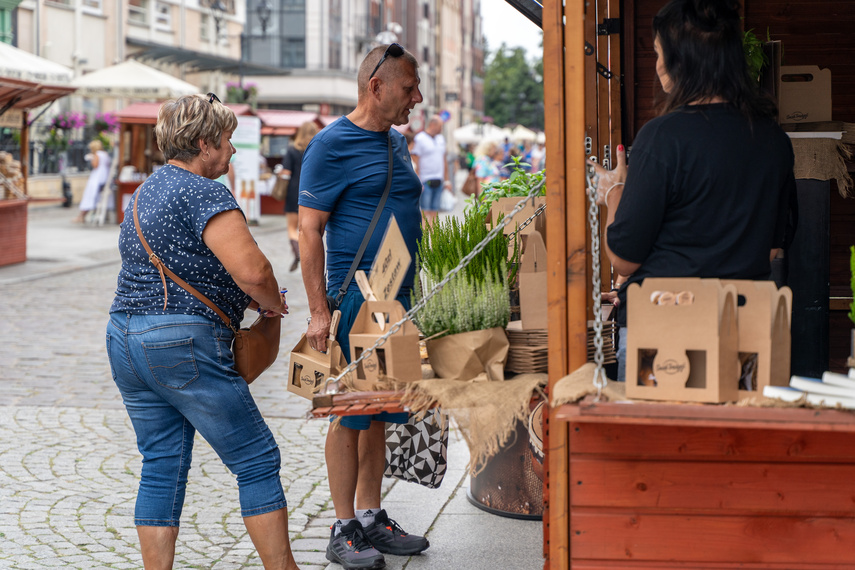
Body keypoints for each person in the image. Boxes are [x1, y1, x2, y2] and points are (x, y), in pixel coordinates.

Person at [105, 93, 299, 570]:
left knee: (161, 465)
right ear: (204, 141)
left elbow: (183, 261)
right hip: (180, 342)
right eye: (228, 140)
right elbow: (253, 271)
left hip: (124, 339)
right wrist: (273, 304)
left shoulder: (145, 192)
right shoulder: (205, 192)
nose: (233, 150)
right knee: (256, 458)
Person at [591, 0, 797, 382]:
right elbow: (772, 246)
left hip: (665, 330)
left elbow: (623, 260)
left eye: (658, 54)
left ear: (682, 62)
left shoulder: (663, 137)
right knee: (732, 441)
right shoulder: (774, 140)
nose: (656, 65)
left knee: (660, 442)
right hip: (743, 331)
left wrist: (615, 190)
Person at [298, 43, 430, 570]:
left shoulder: (398, 143)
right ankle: (342, 524)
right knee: (349, 413)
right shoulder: (330, 145)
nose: (416, 98)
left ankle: (372, 516)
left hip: (398, 299)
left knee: (379, 412)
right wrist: (317, 312)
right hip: (357, 298)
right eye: (408, 88)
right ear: (376, 87)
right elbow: (309, 232)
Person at [278, 120, 320, 272]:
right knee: (308, 228)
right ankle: (309, 256)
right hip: (313, 193)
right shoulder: (317, 150)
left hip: (294, 191)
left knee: (292, 227)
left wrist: (279, 173)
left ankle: (297, 252)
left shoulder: (292, 150)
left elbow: (286, 173)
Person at [410, 115, 449, 224]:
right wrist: (417, 178)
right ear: (433, 124)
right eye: (440, 126)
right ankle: (425, 235)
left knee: (435, 210)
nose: (441, 129)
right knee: (425, 209)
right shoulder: (420, 138)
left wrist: (447, 180)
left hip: (439, 179)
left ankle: (433, 235)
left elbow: (444, 160)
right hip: (425, 179)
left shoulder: (441, 139)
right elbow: (415, 158)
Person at [73, 139, 111, 223]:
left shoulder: (97, 155)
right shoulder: (105, 154)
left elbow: (95, 165)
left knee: (88, 196)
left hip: (97, 178)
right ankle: (82, 216)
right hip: (103, 178)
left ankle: (81, 216)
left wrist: (92, 158)